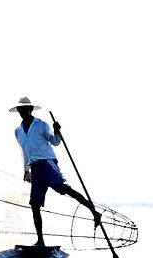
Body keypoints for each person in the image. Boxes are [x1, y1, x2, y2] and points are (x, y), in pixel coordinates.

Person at [10, 98, 96, 247]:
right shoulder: (18, 132)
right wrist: (26, 170)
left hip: (47, 162)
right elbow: (24, 151)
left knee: (63, 189)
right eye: (21, 110)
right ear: (18, 111)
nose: (23, 112)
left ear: (31, 109)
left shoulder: (41, 125)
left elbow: (55, 142)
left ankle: (93, 211)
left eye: (26, 109)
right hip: (34, 167)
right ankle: (40, 241)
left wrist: (57, 131)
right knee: (34, 204)